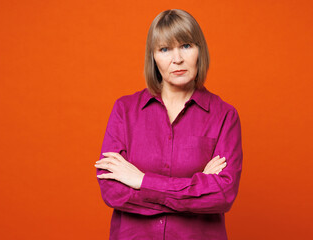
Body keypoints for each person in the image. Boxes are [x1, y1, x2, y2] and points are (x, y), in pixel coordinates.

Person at [95, 9, 243, 240]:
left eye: (186, 46)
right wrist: (196, 187)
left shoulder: (225, 116)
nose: (177, 59)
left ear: (199, 51)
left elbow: (222, 195)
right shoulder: (124, 110)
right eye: (165, 49)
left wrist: (141, 181)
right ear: (153, 57)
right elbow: (113, 192)